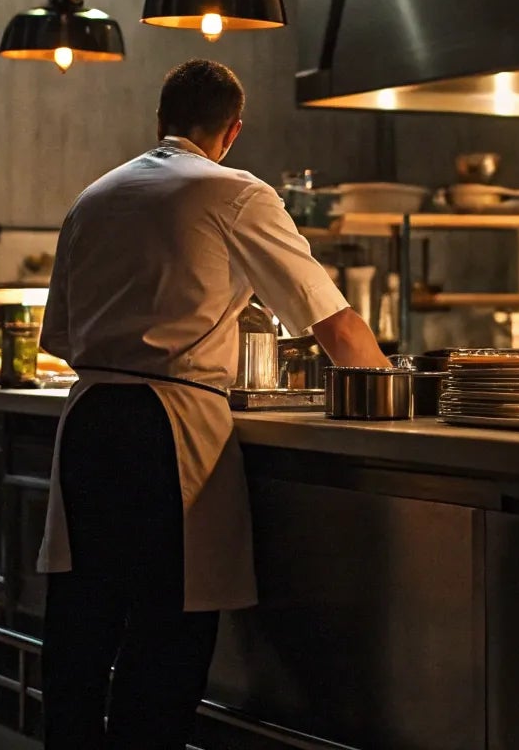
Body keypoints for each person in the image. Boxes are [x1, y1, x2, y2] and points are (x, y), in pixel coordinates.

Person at [36, 58, 390, 749]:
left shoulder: (94, 197)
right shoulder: (236, 193)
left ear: (159, 121)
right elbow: (335, 323)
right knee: (166, 631)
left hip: (88, 420)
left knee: (82, 623)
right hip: (166, 430)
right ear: (233, 131)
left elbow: (59, 336)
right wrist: (386, 392)